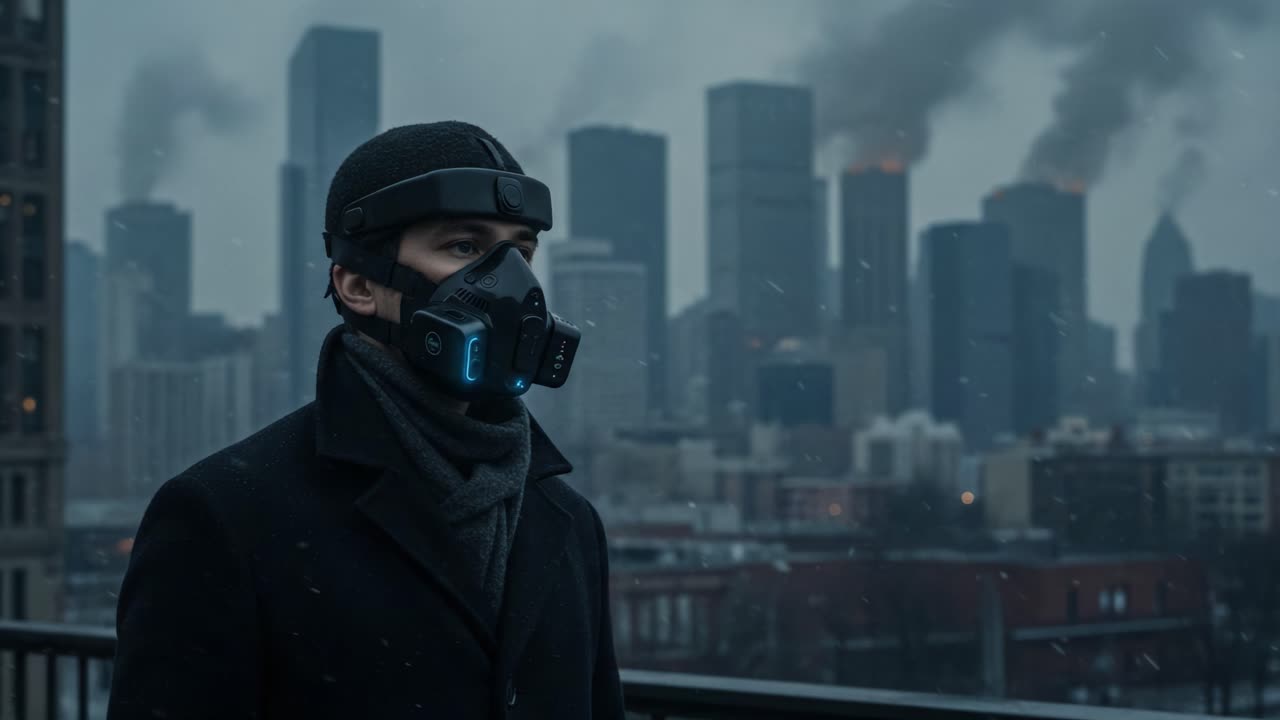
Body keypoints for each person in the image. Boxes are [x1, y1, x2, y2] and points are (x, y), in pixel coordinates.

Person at [107, 121, 625, 719]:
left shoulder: (568, 520)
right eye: (464, 247)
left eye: (522, 252)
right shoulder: (224, 517)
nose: (514, 285)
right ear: (356, 285)